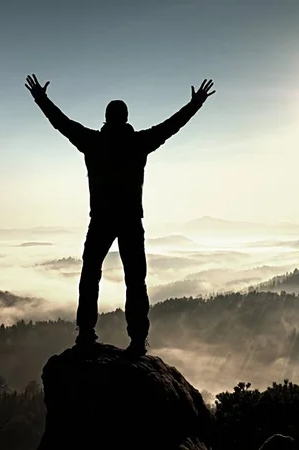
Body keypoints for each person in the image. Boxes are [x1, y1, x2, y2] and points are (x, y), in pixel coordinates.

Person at [25, 73, 216, 355]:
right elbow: (172, 126)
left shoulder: (92, 142)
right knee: (135, 280)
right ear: (126, 118)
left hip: (100, 219)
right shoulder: (139, 142)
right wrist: (195, 104)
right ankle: (138, 340)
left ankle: (86, 333)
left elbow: (61, 123)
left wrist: (41, 98)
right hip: (130, 220)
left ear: (105, 118)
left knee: (90, 273)